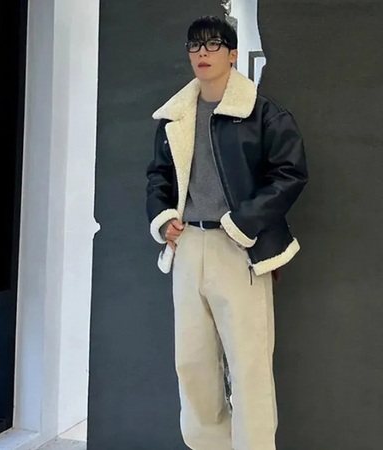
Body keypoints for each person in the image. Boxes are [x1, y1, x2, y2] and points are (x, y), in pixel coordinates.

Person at [146, 15, 308, 450]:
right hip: (188, 247)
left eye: (213, 44)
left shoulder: (262, 113)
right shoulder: (176, 116)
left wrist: (245, 222)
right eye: (194, 46)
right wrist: (163, 217)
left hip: (239, 249)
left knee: (249, 366)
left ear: (233, 54)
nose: (202, 53)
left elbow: (290, 173)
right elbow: (158, 175)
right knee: (192, 364)